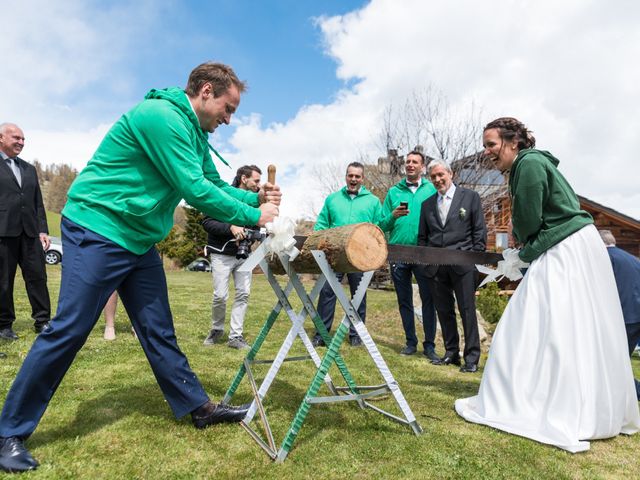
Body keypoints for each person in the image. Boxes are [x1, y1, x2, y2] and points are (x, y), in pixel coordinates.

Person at [0, 61, 281, 473]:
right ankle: (9, 431)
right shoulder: (161, 117)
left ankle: (196, 406)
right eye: (228, 107)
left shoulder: (194, 133)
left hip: (137, 237)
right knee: (70, 327)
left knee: (157, 327)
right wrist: (256, 216)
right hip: (99, 226)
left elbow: (213, 180)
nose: (229, 118)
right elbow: (194, 189)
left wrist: (255, 200)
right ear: (206, 91)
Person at [455, 117, 640, 452]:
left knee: (534, 322)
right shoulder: (530, 164)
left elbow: (528, 219)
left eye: (491, 144)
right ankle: (576, 403)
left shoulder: (528, 164)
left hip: (564, 250)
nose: (487, 152)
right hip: (572, 245)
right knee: (570, 325)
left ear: (513, 142)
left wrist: (521, 249)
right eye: (485, 146)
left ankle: (548, 403)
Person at [417, 159, 486, 373]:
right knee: (444, 311)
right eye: (434, 177)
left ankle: (472, 358)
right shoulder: (427, 204)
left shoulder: (470, 197)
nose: (438, 180)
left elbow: (479, 232)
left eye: (441, 175)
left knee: (467, 311)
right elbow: (423, 238)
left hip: (463, 266)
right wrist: (428, 263)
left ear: (450, 173)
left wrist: (473, 259)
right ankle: (451, 352)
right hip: (437, 267)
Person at [311, 162, 382, 348]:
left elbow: (377, 229)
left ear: (362, 178)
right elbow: (321, 224)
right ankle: (321, 334)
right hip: (333, 256)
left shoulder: (373, 201)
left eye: (357, 176)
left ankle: (356, 335)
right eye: (350, 175)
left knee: (358, 295)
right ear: (346, 177)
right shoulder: (332, 199)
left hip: (360, 257)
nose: (353, 179)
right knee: (327, 292)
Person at [379, 151, 439, 360]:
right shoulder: (394, 192)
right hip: (398, 253)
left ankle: (430, 345)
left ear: (422, 167)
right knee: (404, 301)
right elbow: (381, 223)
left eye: (415, 162)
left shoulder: (431, 189)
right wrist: (393, 215)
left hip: (423, 253)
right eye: (408, 162)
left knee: (428, 300)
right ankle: (410, 342)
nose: (410, 165)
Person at [201, 164, 262, 350]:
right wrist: (231, 228)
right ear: (244, 179)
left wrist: (249, 235)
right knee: (220, 295)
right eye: (256, 181)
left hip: (244, 255)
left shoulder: (255, 202)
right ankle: (217, 329)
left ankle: (236, 336)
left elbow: (257, 226)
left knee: (243, 294)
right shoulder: (222, 194)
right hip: (221, 254)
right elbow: (207, 221)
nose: (259, 185)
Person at [0, 123, 51, 340]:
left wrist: (43, 230)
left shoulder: (29, 169)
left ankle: (43, 321)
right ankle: (4, 326)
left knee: (38, 277)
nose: (21, 142)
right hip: (3, 232)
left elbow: (37, 202)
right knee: (3, 280)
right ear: (1, 138)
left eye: (23, 139)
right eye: (16, 138)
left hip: (30, 233)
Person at [599, 229, 640, 400]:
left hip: (622, 317)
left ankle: (635, 391)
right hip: (636, 316)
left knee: (612, 363)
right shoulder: (633, 259)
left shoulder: (605, 259)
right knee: (617, 363)